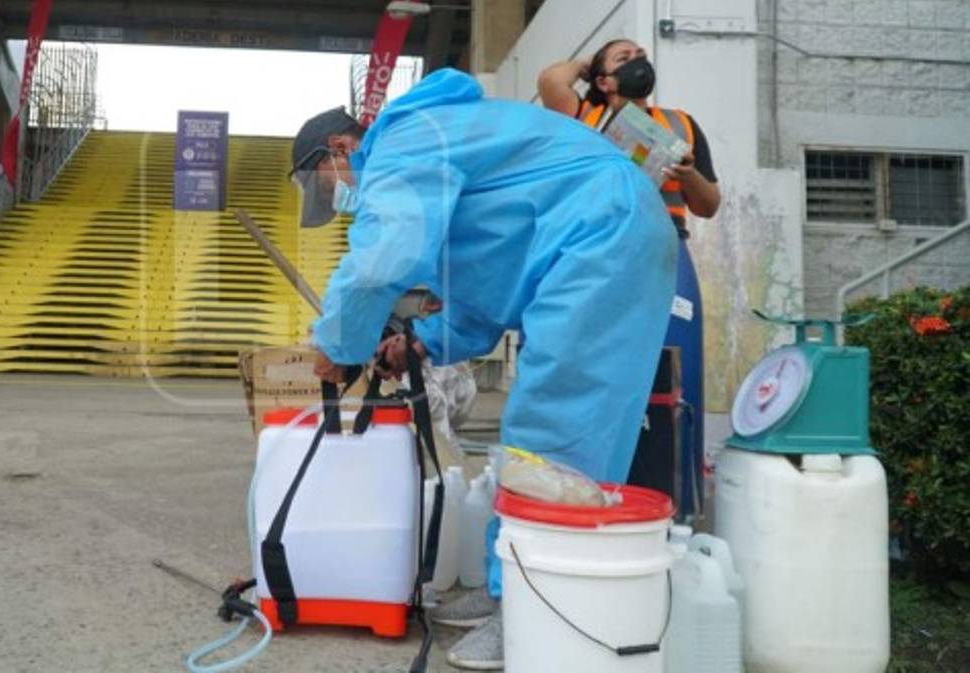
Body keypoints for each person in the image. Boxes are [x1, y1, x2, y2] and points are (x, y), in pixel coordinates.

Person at [289, 69, 677, 670]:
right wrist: (421, 344)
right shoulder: (439, 144)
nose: (336, 200)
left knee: (558, 434)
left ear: (339, 149)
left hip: (602, 233)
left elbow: (381, 261)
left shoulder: (403, 141)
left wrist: (338, 345)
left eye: (323, 183)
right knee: (535, 442)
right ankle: (508, 585)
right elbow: (483, 283)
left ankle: (533, 607)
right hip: (591, 233)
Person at [538, 39, 720, 517]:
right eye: (625, 58)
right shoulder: (585, 116)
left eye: (642, 54)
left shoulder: (681, 125)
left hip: (665, 251)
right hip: (601, 254)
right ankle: (594, 485)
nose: (639, 61)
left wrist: (689, 173)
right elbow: (551, 80)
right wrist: (591, 66)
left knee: (674, 363)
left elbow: (709, 204)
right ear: (603, 80)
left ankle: (676, 497)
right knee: (597, 365)